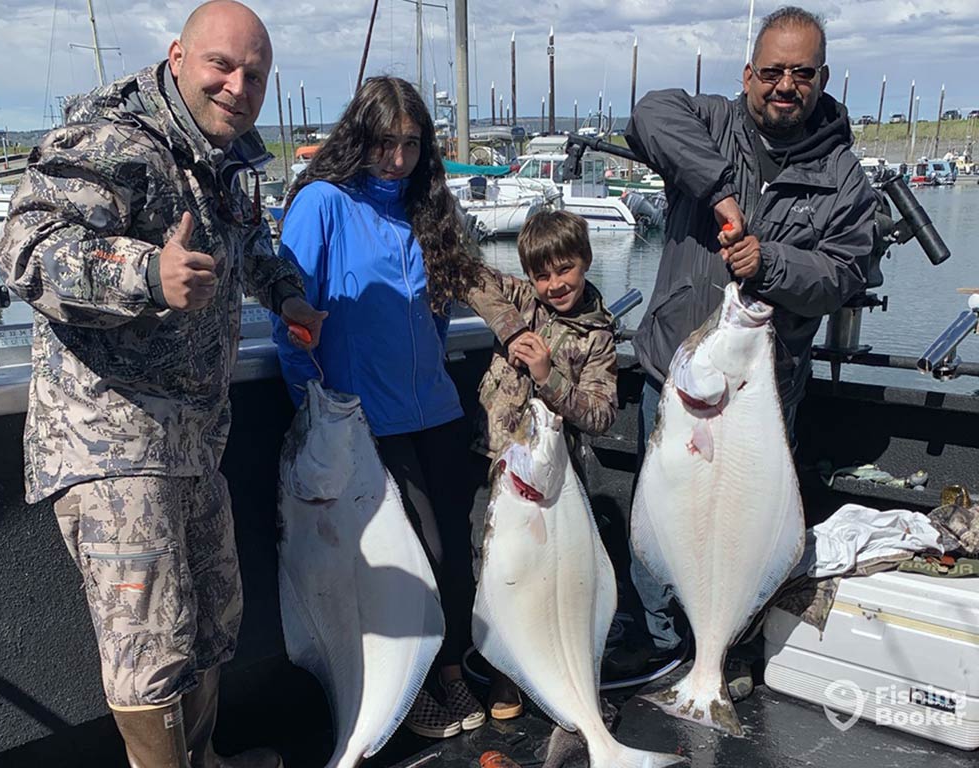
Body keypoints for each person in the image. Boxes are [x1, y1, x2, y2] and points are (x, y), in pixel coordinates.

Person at [0, 3, 325, 766]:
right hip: (110, 440)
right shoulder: (113, 140)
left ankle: (200, 759)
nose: (238, 85)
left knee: (213, 617)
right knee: (150, 645)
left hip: (191, 437)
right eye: (222, 65)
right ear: (178, 57)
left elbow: (249, 243)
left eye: (255, 74)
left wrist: (288, 296)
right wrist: (143, 272)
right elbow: (26, 247)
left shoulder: (227, 154)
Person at [620, 6, 877, 696]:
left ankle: (722, 653)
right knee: (663, 520)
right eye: (771, 71)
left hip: (765, 394)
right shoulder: (708, 120)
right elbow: (648, 114)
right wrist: (720, 190)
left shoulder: (846, 179)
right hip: (678, 377)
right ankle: (658, 648)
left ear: (822, 77)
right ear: (748, 75)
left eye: (800, 72)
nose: (784, 85)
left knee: (742, 533)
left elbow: (846, 273)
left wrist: (770, 263)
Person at [271, 76, 527, 740]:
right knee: (415, 561)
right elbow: (290, 310)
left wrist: (517, 327)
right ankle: (408, 686)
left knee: (460, 553)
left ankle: (446, 669)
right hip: (365, 424)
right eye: (385, 142)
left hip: (437, 411)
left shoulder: (426, 209)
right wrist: (316, 408)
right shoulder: (321, 203)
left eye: (411, 144)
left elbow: (469, 280)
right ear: (359, 137)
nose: (397, 159)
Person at [467, 209, 618, 719]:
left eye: (565, 270)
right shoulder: (521, 299)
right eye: (542, 274)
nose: (555, 285)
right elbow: (469, 277)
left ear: (586, 262)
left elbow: (600, 414)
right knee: (494, 572)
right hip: (494, 460)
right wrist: (511, 332)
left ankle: (561, 670)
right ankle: (504, 677)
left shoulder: (599, 337)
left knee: (544, 579)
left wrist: (548, 375)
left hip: (552, 482)